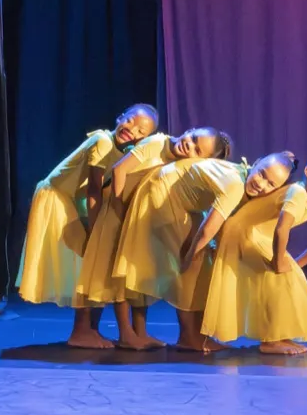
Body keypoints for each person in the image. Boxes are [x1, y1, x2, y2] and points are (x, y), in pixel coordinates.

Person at [112, 151, 295, 352]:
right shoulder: (235, 184)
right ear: (256, 162)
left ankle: (198, 335)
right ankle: (189, 337)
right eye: (261, 174)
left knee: (200, 262)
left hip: (178, 198)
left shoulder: (241, 176)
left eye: (271, 184)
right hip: (163, 193)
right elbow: (208, 229)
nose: (261, 184)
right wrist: (190, 257)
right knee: (192, 267)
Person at [73, 127, 232, 350]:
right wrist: (118, 209)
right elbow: (120, 170)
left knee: (138, 275)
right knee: (119, 276)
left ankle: (140, 332)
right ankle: (126, 333)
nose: (189, 145)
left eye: (197, 150)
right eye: (193, 138)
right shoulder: (157, 142)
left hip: (135, 218)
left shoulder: (179, 162)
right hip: (118, 214)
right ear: (190, 130)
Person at [16, 103, 158, 349]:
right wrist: (95, 230)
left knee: (93, 266)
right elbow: (93, 189)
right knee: (88, 263)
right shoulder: (102, 141)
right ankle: (81, 331)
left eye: (140, 131)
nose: (132, 130)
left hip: (72, 200)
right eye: (130, 121)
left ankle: (89, 330)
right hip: (57, 197)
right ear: (120, 117)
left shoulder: (124, 155)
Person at [201, 149, 307, 354]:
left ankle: (281, 336)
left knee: (291, 278)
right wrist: (278, 261)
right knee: (274, 280)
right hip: (242, 230)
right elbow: (282, 229)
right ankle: (270, 341)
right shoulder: (298, 193)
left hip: (261, 234)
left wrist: (296, 265)